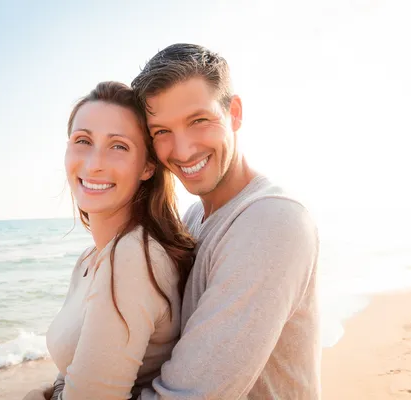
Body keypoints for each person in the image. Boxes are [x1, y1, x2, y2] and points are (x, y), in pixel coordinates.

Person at [130, 43, 321, 399]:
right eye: (162, 132)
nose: (183, 150)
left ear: (234, 113)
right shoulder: (194, 217)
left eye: (198, 121)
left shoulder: (271, 221)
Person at [23, 81, 195, 400]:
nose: (94, 163)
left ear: (147, 166)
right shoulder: (91, 259)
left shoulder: (133, 258)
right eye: (83, 140)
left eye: (118, 146)